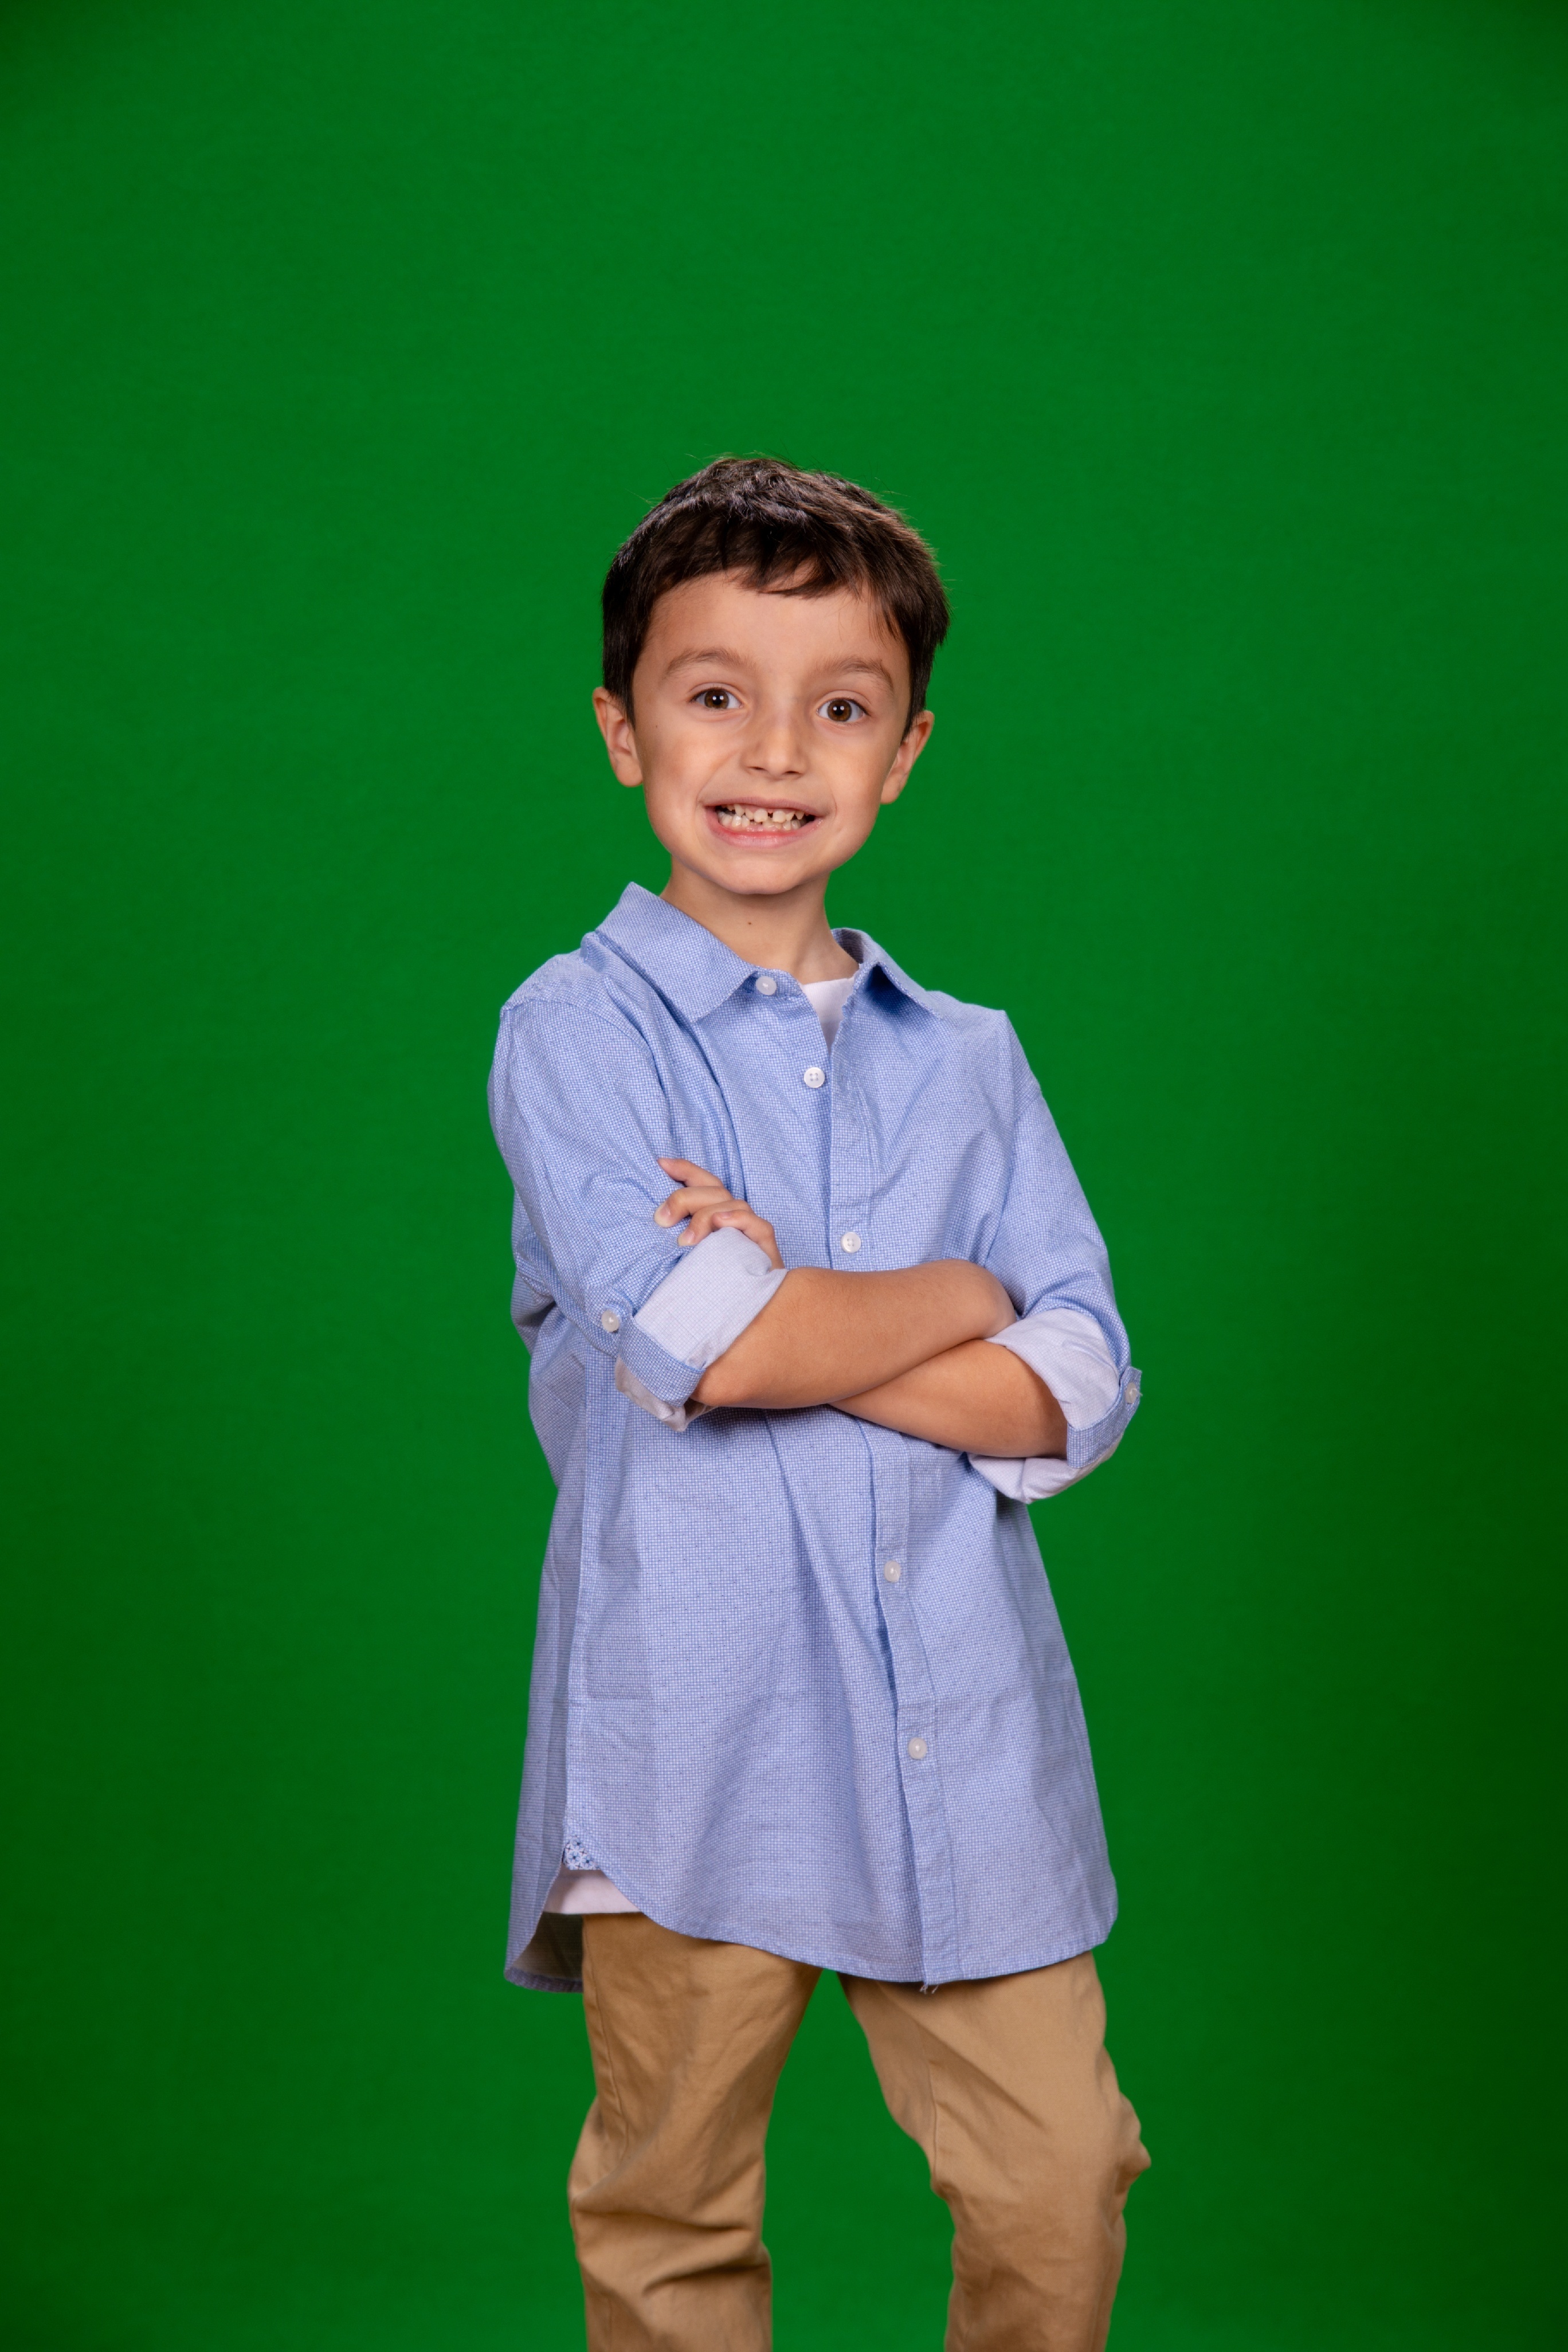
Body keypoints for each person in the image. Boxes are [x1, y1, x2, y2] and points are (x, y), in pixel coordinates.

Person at [488, 457, 1150, 2352]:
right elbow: (712, 1348)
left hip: (963, 1725)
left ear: (904, 752)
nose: (775, 751)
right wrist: (960, 1296)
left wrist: (815, 1300)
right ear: (624, 730)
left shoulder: (975, 1063)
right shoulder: (577, 1030)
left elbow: (1081, 1385)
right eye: (716, 693)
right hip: (690, 1737)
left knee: (1060, 2175)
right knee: (676, 2202)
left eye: (840, 707)